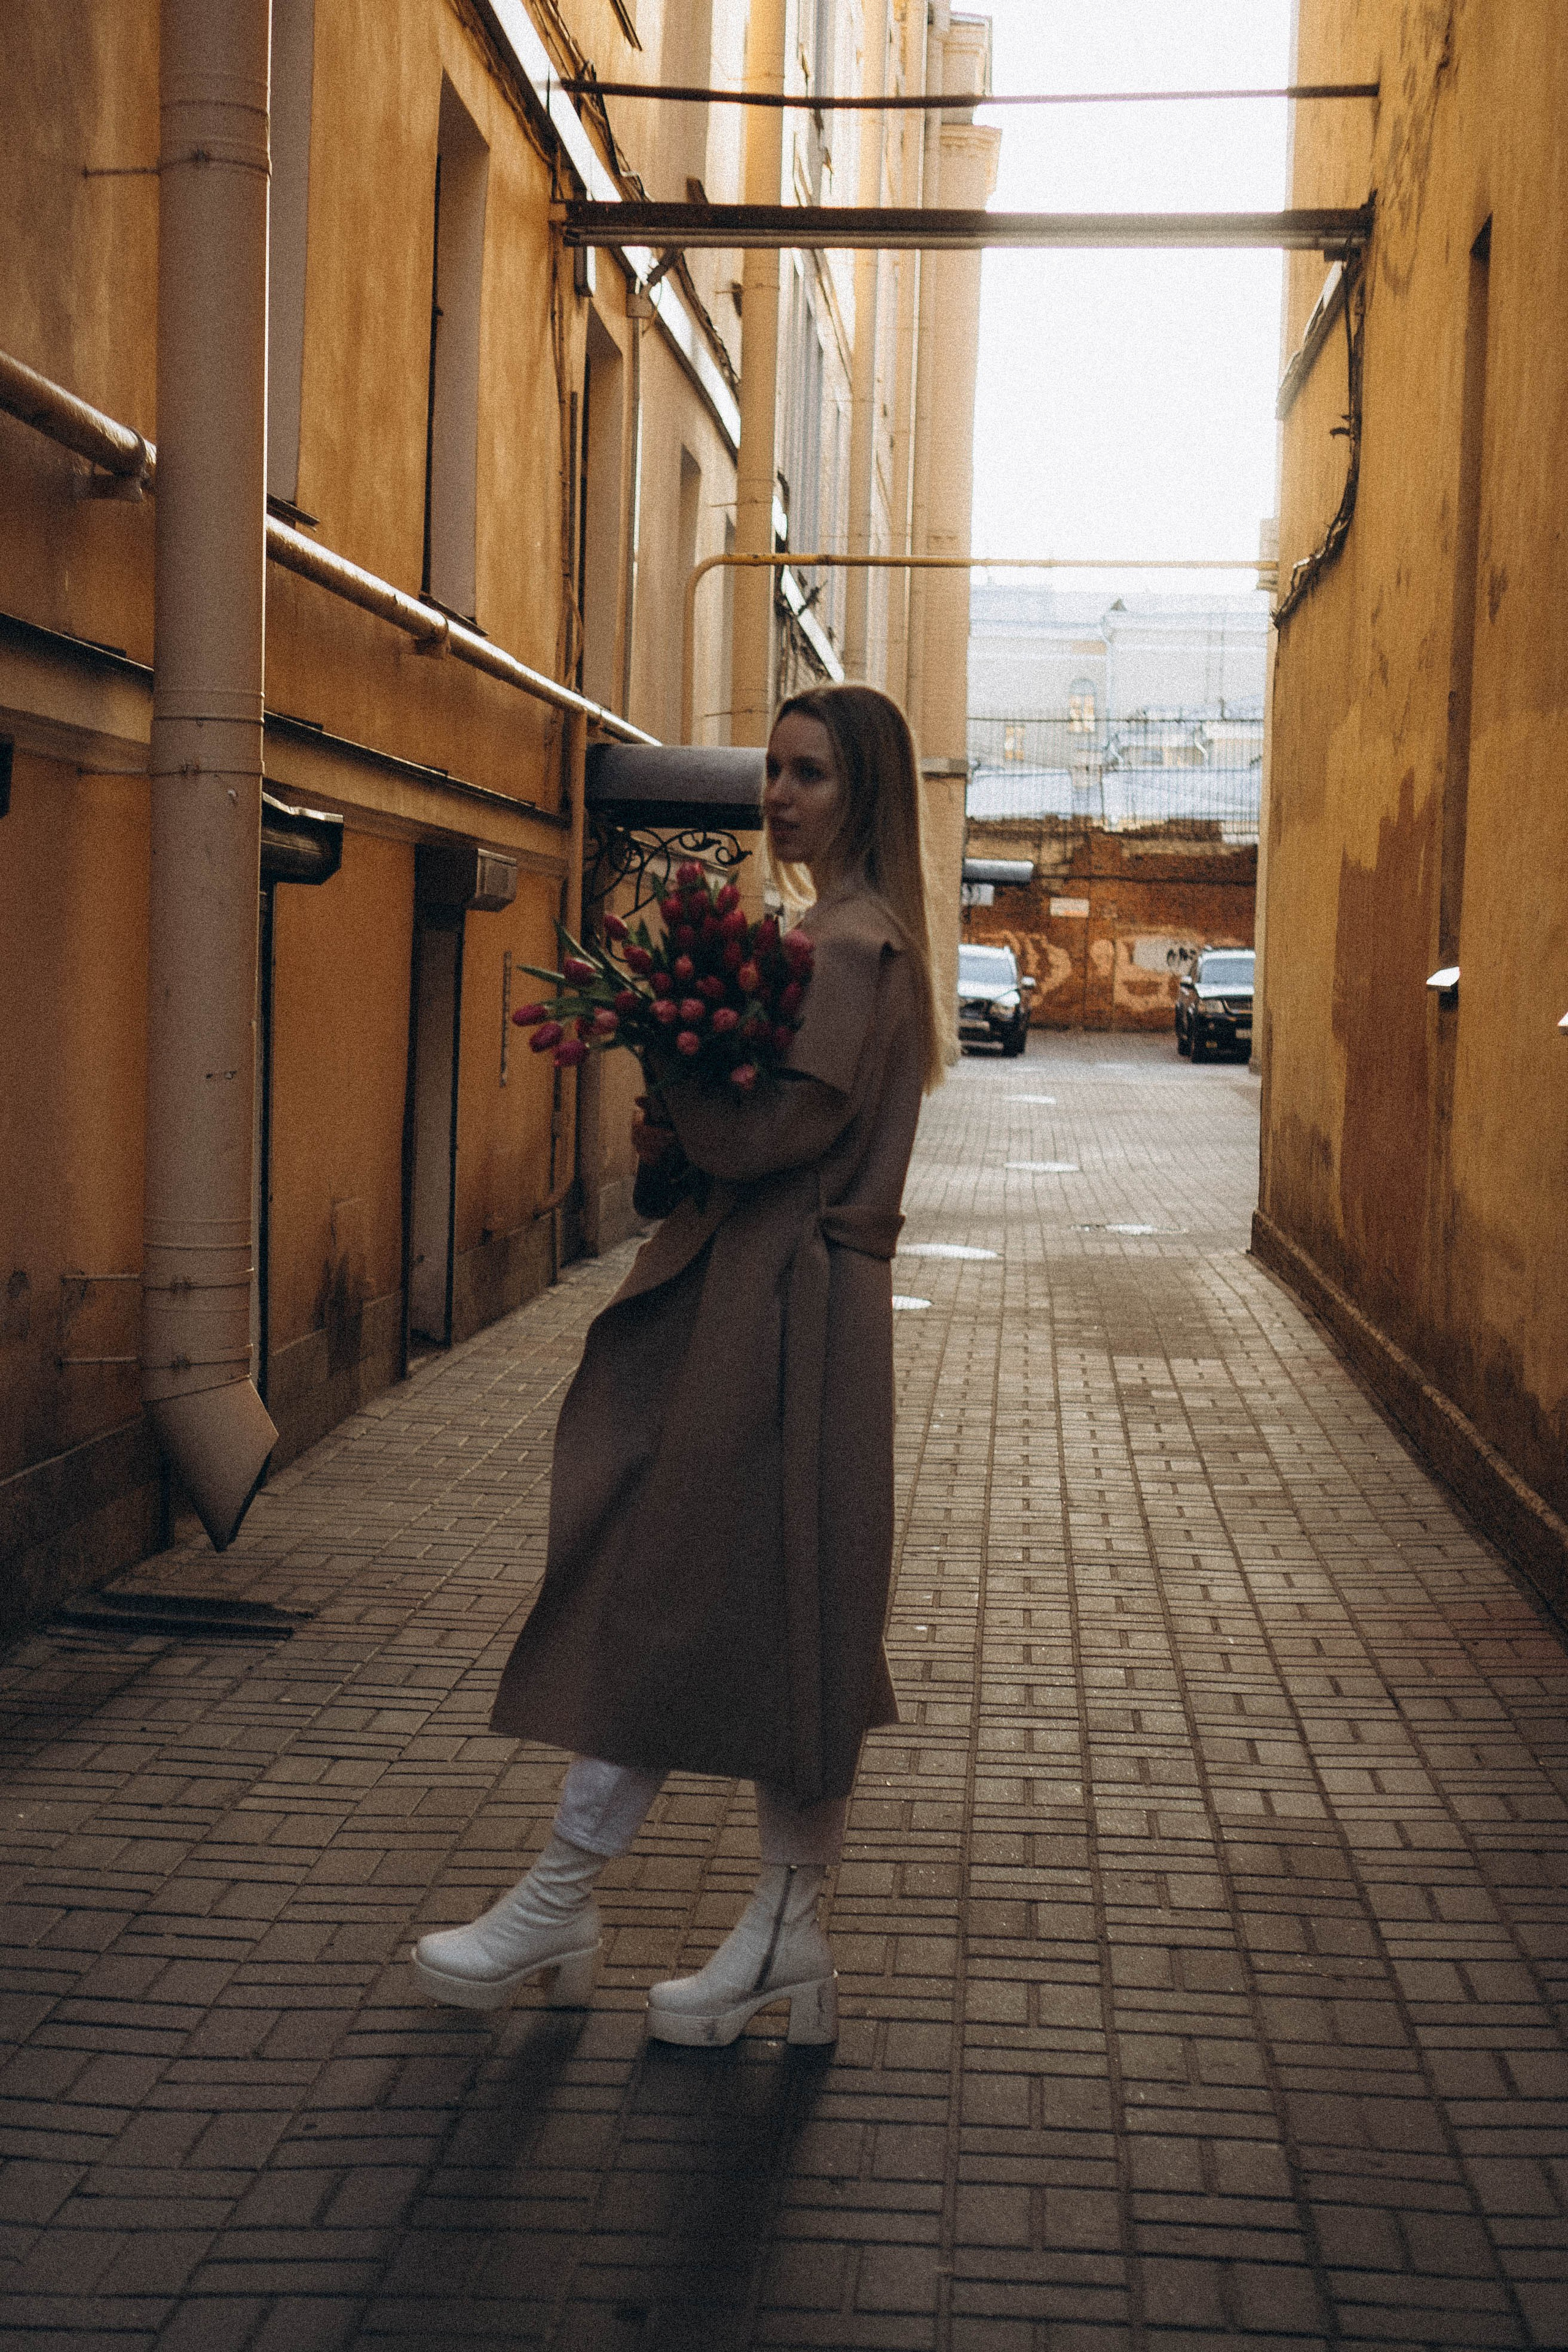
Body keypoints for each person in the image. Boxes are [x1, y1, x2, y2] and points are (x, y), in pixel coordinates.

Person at [412, 684, 949, 2046]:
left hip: (782, 1316)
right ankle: (761, 1929)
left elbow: (761, 1138)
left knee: (688, 1591)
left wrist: (663, 1050)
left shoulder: (850, 946)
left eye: (809, 775)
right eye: (771, 771)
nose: (777, 796)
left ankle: (580, 1902)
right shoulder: (841, 938)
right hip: (780, 1312)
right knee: (781, 1618)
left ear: (864, 793)